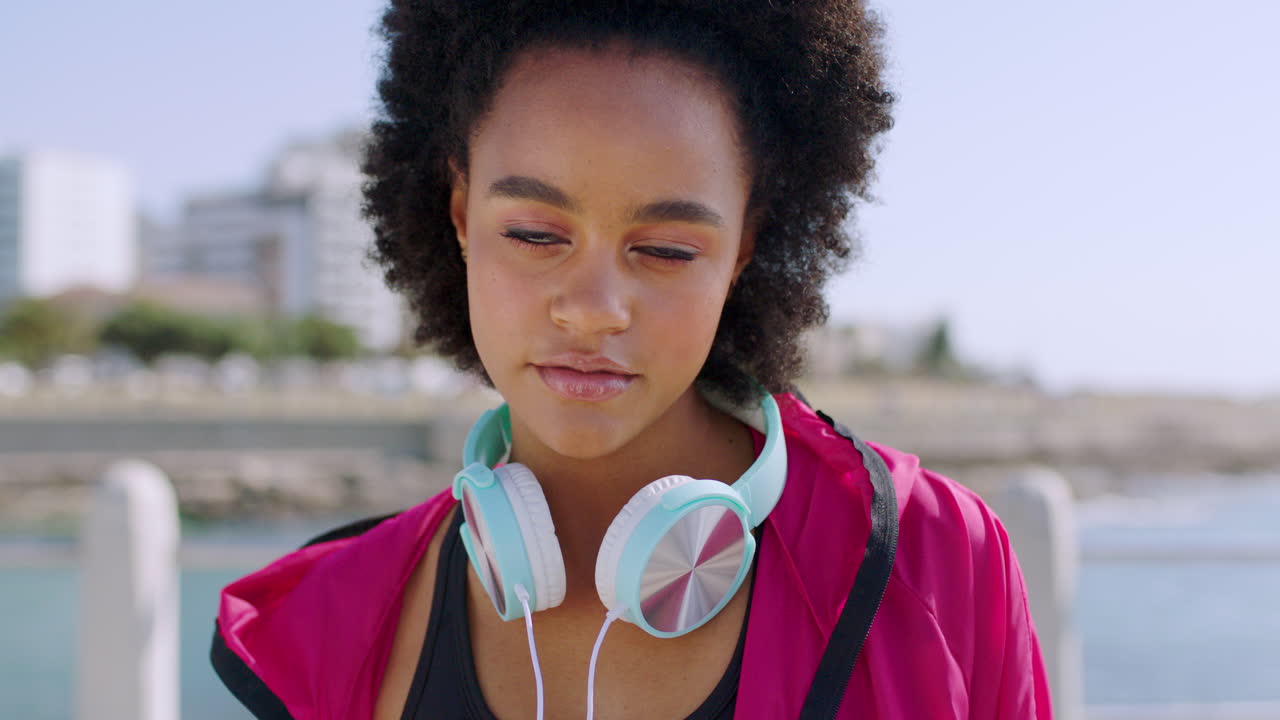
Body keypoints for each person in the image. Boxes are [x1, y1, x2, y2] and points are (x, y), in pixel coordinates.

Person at [211, 1, 1054, 718]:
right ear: (460, 213)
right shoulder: (334, 621)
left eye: (664, 249)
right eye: (536, 234)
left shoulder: (938, 564)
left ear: (746, 249)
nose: (592, 307)